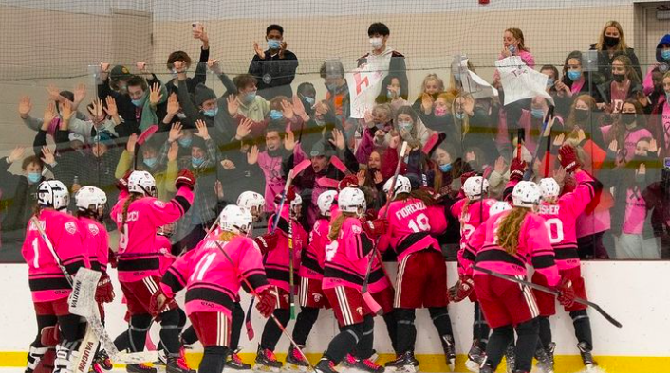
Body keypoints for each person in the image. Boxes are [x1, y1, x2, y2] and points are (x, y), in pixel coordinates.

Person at [461, 181, 574, 373]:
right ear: (534, 202)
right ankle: (521, 370)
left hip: (482, 276)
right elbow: (542, 261)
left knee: (502, 330)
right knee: (529, 326)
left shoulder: (496, 218)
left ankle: (487, 368)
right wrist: (558, 284)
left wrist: (467, 277)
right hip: (508, 277)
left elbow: (469, 251)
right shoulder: (534, 220)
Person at [156, 204, 277, 373]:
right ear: (244, 226)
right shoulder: (244, 243)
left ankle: (182, 342)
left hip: (193, 300)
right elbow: (251, 270)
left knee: (212, 348)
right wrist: (265, 291)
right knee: (217, 351)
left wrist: (164, 291)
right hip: (216, 299)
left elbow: (181, 266)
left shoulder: (206, 243)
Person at [110, 169, 196, 373]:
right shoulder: (146, 204)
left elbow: (116, 209)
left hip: (125, 274)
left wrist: (123, 190)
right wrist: (186, 188)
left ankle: (133, 361)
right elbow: (175, 210)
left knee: (140, 318)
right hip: (142, 272)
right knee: (171, 314)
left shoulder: (122, 206)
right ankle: (173, 361)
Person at [377, 175, 454, 372]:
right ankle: (450, 349)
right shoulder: (422, 202)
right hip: (436, 256)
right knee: (438, 307)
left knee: (404, 310)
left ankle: (406, 356)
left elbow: (383, 244)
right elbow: (440, 227)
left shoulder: (387, 209)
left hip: (413, 259)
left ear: (392, 191)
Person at [535, 146, 601, 371]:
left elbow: (509, 198)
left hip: (544, 267)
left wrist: (515, 178)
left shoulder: (532, 210)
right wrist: (575, 168)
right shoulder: (568, 202)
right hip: (570, 264)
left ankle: (547, 357)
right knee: (578, 310)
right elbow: (591, 187)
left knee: (542, 314)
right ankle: (587, 354)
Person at [312, 187, 386, 373]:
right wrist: (371, 233)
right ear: (360, 205)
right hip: (342, 283)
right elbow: (356, 253)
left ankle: (361, 357)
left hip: (349, 283)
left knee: (367, 319)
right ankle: (326, 362)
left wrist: (369, 230)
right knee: (354, 328)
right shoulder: (352, 223)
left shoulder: (340, 219)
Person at [22, 180, 88, 373]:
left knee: (46, 332)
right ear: (58, 198)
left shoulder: (33, 220)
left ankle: (31, 368)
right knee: (71, 333)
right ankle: (63, 369)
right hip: (60, 285)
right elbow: (73, 259)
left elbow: (27, 252)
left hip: (36, 285)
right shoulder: (65, 221)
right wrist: (85, 285)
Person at [254, 188, 307, 372]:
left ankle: (266, 351)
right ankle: (265, 351)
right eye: (297, 206)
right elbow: (282, 221)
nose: (300, 210)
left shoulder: (300, 228)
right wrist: (283, 203)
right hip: (274, 277)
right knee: (281, 314)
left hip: (289, 280)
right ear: (290, 207)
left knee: (284, 316)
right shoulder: (277, 221)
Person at [286, 190, 337, 370]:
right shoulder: (323, 226)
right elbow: (324, 258)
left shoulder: (324, 223)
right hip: (312, 275)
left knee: (339, 312)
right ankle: (295, 349)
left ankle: (348, 349)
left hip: (320, 275)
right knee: (309, 313)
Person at [449, 175, 495, 370]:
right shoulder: (486, 206)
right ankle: (481, 347)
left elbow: (453, 207)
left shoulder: (461, 206)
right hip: (480, 260)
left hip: (465, 262)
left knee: (480, 306)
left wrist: (463, 190)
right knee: (487, 307)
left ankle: (478, 346)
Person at [74, 186, 115, 372]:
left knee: (83, 321)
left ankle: (92, 354)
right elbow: (89, 257)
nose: (101, 210)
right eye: (100, 206)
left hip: (76, 280)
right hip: (89, 280)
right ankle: (90, 358)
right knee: (97, 320)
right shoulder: (94, 227)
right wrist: (101, 277)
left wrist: (110, 254)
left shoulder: (75, 223)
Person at [0, 151, 46, 262]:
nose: (35, 173)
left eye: (38, 170)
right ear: (24, 171)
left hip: (34, 236)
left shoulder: (45, 186)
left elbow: (63, 184)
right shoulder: (15, 181)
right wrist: (9, 159)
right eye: (32, 170)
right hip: (10, 236)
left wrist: (53, 164)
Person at [358, 23, 408, 102]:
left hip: (388, 103)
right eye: (371, 37)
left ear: (386, 37)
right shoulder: (364, 60)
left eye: (377, 36)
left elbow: (403, 84)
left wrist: (400, 104)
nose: (374, 39)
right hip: (368, 103)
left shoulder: (396, 57)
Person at [249, 25, 299, 100]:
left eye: (277, 37)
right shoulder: (258, 56)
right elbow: (252, 79)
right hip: (262, 99)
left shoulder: (290, 56)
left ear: (281, 39)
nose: (274, 39)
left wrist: (281, 57)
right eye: (271, 37)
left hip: (282, 99)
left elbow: (287, 78)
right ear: (267, 38)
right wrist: (262, 59)